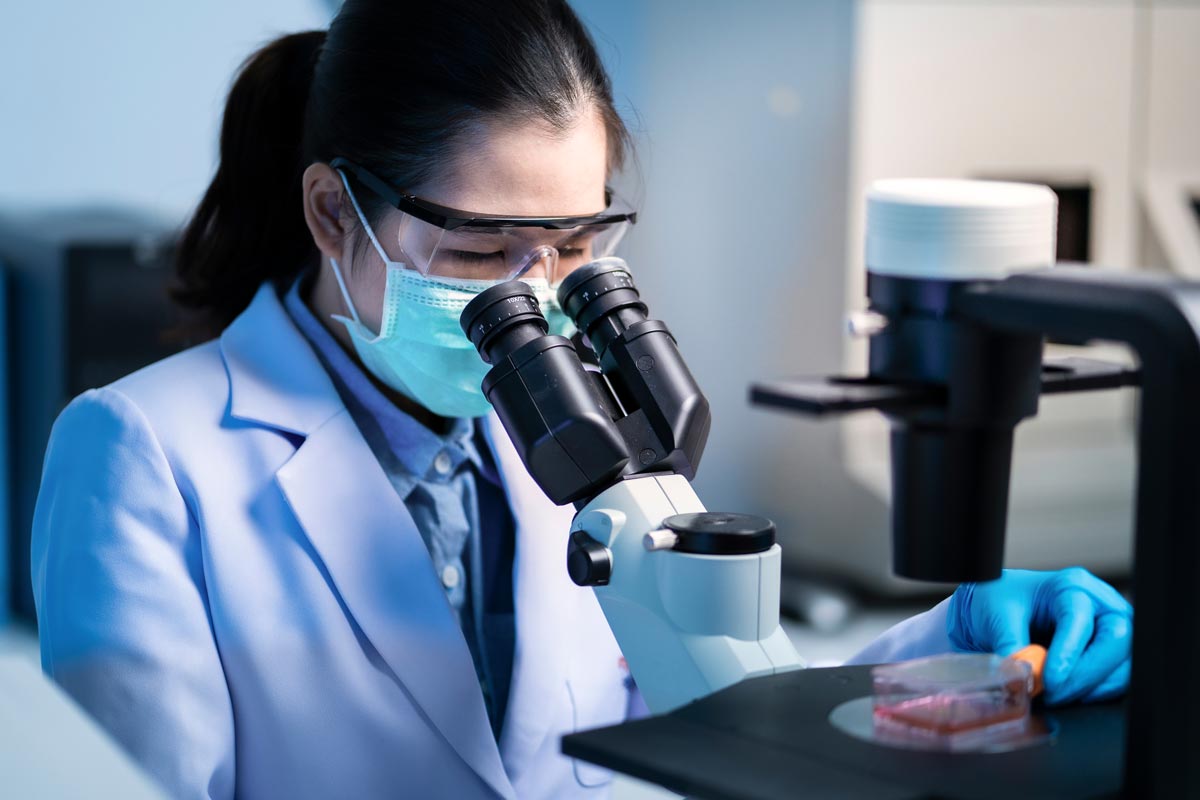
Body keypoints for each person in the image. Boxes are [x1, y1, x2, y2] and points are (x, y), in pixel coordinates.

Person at [30, 1, 1134, 798]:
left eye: (570, 247)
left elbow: (714, 710)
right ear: (332, 213)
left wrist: (970, 651)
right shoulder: (145, 455)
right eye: (477, 250)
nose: (536, 298)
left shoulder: (564, 437)